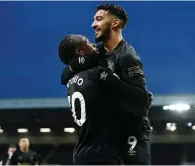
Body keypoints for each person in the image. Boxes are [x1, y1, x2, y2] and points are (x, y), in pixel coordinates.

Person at [60, 4, 152, 165]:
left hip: (132, 132)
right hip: (108, 136)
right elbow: (64, 76)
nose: (93, 25)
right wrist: (77, 64)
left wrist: (111, 81)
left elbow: (142, 99)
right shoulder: (96, 53)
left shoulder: (127, 56)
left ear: (115, 23)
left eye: (99, 19)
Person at [58, 34, 140, 165]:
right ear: (79, 52)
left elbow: (65, 74)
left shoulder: (70, 80)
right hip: (102, 155)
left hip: (82, 154)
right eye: (88, 43)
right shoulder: (98, 74)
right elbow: (136, 96)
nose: (93, 45)